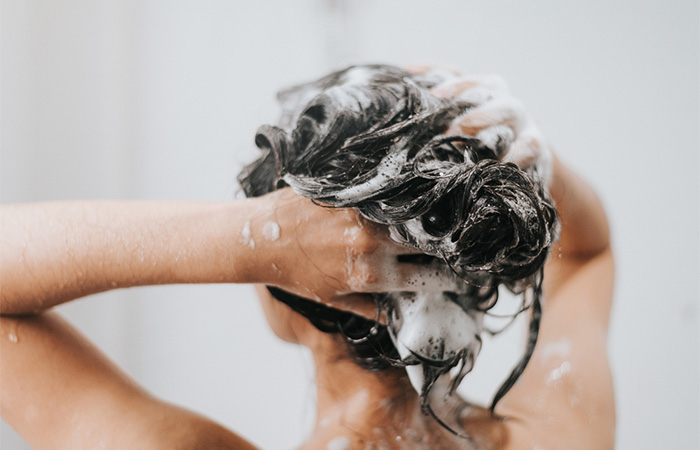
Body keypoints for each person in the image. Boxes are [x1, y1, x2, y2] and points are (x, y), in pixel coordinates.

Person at [0, 65, 615, 449]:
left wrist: (252, 238)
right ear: (474, 268)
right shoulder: (563, 430)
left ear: (286, 291)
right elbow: (588, 251)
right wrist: (519, 151)